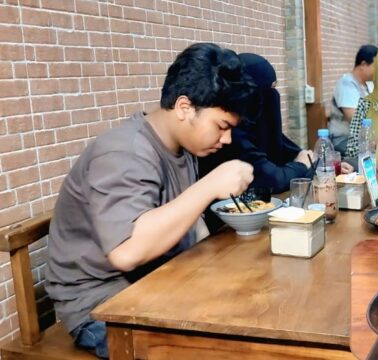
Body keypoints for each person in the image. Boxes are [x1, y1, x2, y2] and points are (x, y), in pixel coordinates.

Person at [44, 43, 255, 358]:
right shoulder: (124, 153)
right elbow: (126, 253)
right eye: (221, 127)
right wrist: (211, 185)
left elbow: (189, 217)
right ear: (184, 107)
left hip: (158, 283)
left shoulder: (182, 147)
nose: (226, 140)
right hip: (102, 307)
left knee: (251, 309)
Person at [199, 53, 312, 194]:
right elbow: (272, 179)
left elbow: (291, 151)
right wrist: (300, 165)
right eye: (270, 89)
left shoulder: (255, 124)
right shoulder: (231, 132)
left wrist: (318, 163)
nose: (274, 96)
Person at [329, 44, 378, 154]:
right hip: (342, 139)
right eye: (376, 66)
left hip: (363, 137)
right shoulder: (346, 84)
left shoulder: (368, 85)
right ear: (363, 64)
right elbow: (354, 119)